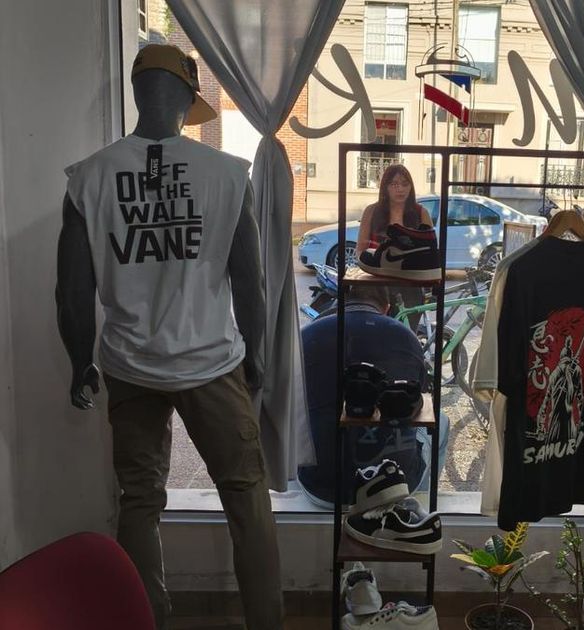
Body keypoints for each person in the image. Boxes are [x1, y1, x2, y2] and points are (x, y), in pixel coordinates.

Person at [55, 44, 282, 629]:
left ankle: (145, 621)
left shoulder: (89, 177)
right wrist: (256, 351)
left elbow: (72, 292)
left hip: (128, 363)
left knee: (139, 499)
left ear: (139, 94)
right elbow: (249, 282)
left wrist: (80, 361)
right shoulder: (226, 175)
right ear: (185, 98)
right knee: (246, 495)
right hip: (211, 362)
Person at [298, 284, 449, 508]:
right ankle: (414, 504)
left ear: (342, 302)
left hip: (321, 487)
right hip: (394, 486)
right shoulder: (406, 336)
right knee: (441, 421)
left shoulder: (308, 334)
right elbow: (418, 395)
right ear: (386, 307)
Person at [356, 164, 434, 331]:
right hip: (376, 286)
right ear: (385, 187)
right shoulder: (371, 211)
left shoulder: (421, 213)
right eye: (394, 184)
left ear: (411, 187)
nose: (400, 189)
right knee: (374, 331)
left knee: (405, 333)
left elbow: (430, 251)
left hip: (410, 286)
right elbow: (360, 250)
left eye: (405, 184)